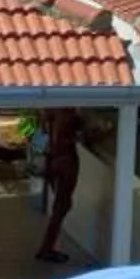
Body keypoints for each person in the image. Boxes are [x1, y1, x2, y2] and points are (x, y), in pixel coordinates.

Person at [34, 107, 83, 262]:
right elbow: (84, 136)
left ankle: (47, 246)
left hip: (51, 159)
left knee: (61, 205)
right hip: (66, 160)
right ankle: (46, 248)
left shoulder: (47, 112)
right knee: (62, 205)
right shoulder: (68, 114)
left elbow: (43, 136)